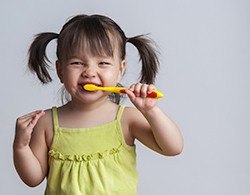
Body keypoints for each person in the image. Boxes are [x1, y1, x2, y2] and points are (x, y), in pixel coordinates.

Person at [13, 14, 183, 195]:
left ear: (120, 70)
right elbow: (33, 179)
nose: (90, 72)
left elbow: (173, 147)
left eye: (103, 63)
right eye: (77, 63)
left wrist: (151, 111)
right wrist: (20, 147)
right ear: (60, 70)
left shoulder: (126, 119)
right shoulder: (46, 122)